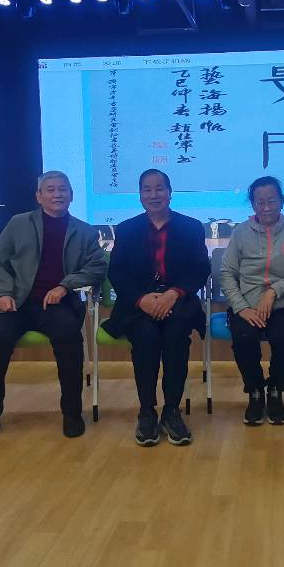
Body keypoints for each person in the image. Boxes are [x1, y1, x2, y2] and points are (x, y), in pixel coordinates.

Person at [0, 171, 107, 445]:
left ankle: (72, 413)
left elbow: (96, 267)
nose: (57, 194)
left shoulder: (85, 232)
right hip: (15, 302)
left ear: (72, 195)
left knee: (69, 339)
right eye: (50, 189)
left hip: (56, 304)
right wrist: (1, 293)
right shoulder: (19, 224)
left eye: (63, 189)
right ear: (39, 196)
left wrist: (65, 286)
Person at [103, 169, 210, 447]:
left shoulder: (191, 227)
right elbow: (117, 272)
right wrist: (142, 299)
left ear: (170, 193)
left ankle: (172, 411)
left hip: (178, 301)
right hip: (138, 305)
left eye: (159, 188)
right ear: (140, 195)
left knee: (176, 337)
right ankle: (147, 412)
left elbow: (200, 269)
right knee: (146, 338)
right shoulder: (126, 229)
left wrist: (174, 293)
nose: (154, 195)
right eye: (147, 189)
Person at [221, 176, 284, 426]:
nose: (267, 207)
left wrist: (273, 292)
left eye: (272, 201)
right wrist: (241, 307)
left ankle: (276, 389)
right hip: (247, 305)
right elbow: (227, 273)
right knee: (244, 338)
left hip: (281, 305)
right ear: (252, 204)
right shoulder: (240, 232)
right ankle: (255, 390)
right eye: (260, 202)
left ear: (282, 201)